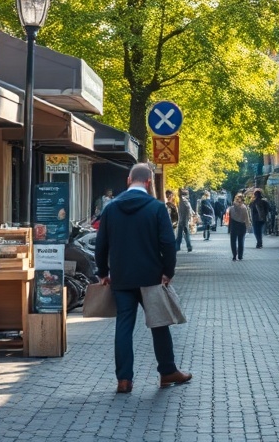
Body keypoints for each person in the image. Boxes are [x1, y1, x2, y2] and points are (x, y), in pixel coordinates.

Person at [95, 163, 191, 394]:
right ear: (148, 182)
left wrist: (103, 273)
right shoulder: (157, 208)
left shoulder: (111, 208)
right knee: (159, 324)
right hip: (151, 276)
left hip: (121, 276)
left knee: (124, 326)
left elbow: (101, 244)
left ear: (129, 180)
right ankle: (167, 372)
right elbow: (168, 243)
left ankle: (124, 380)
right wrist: (168, 271)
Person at [226, 192, 251, 261]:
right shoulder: (244, 208)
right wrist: (248, 226)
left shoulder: (231, 208)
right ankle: (240, 255)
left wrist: (229, 228)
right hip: (242, 225)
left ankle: (234, 255)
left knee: (233, 241)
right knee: (241, 241)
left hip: (234, 225)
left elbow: (230, 219)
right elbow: (247, 218)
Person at [176, 188, 193, 252]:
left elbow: (184, 211)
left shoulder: (183, 201)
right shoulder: (185, 200)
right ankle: (187, 246)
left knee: (183, 234)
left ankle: (186, 246)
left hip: (183, 220)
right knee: (183, 234)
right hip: (184, 220)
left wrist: (183, 220)